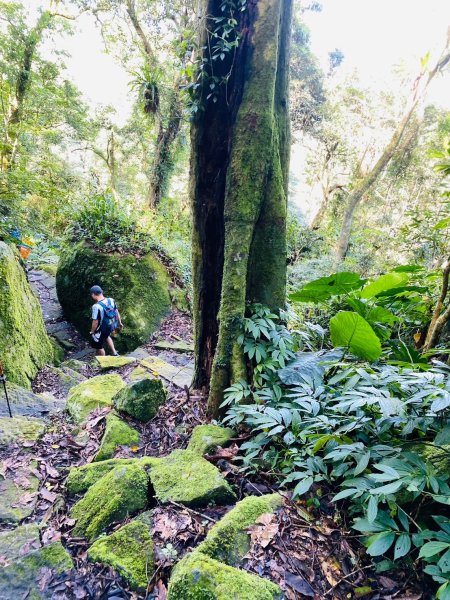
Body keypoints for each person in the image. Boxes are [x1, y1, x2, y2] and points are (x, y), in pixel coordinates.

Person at [89, 285, 123, 356]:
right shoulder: (111, 300)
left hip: (101, 329)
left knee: (99, 346)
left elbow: (95, 321)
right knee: (107, 336)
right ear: (102, 292)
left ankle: (104, 360)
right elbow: (116, 312)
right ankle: (115, 353)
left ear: (93, 295)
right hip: (111, 325)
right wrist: (120, 323)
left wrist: (92, 331)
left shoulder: (96, 306)